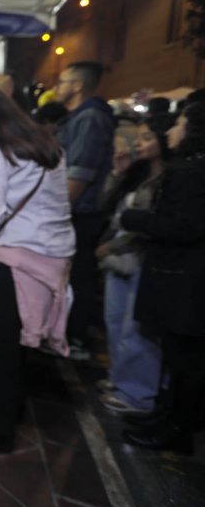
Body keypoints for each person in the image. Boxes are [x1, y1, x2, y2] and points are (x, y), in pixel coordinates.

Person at [0, 82, 75, 452]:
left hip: (18, 255)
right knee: (16, 344)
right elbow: (22, 197)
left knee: (0, 343)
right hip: (53, 252)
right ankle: (5, 405)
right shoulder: (41, 141)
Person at [121, 102, 205, 453]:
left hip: (184, 281)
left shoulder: (191, 172)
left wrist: (135, 219)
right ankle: (164, 416)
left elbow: (185, 227)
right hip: (183, 279)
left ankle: (175, 429)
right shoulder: (188, 169)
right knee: (176, 358)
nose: (171, 131)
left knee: (185, 363)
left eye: (179, 124)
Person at [95, 115, 174, 414]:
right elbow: (105, 205)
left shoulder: (171, 179)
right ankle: (121, 378)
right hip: (120, 259)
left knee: (136, 329)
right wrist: (117, 172)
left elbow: (146, 227)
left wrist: (110, 246)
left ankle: (137, 394)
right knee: (115, 322)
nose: (139, 143)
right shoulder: (137, 174)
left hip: (142, 259)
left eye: (147, 138)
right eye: (139, 137)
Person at [53, 61, 116, 360]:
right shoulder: (80, 117)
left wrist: (57, 213)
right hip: (75, 212)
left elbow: (78, 175)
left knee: (77, 278)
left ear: (78, 85)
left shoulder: (90, 118)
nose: (58, 87)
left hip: (79, 213)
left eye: (63, 80)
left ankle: (74, 339)